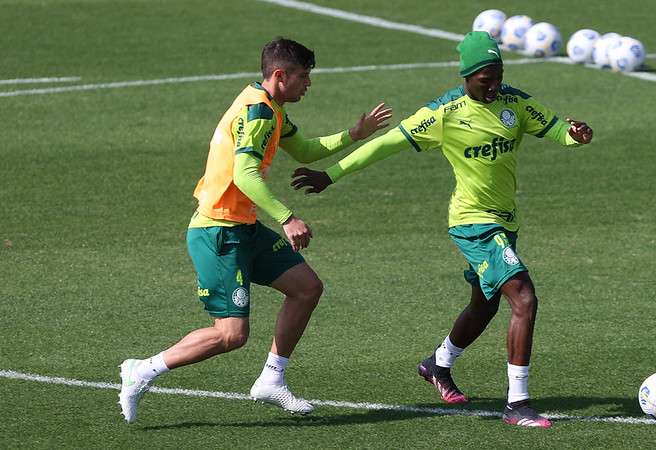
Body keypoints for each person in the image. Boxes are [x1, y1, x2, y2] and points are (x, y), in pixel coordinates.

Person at [291, 31, 593, 429]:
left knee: (484, 304)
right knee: (524, 298)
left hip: (504, 221)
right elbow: (385, 145)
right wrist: (330, 175)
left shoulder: (514, 103)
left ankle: (438, 363)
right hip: (473, 223)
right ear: (466, 77)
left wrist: (575, 135)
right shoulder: (444, 113)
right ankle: (517, 403)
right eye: (485, 80)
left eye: (498, 76)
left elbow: (557, 129)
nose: (493, 86)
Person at [118, 37, 392, 423]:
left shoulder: (269, 108)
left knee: (306, 288)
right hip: (218, 233)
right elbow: (244, 175)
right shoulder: (259, 113)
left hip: (243, 228)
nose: (308, 84)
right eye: (304, 76)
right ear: (280, 75)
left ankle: (271, 380)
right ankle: (141, 370)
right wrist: (287, 216)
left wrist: (354, 134)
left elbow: (307, 150)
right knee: (231, 335)